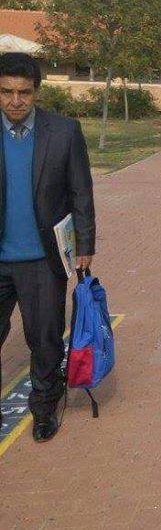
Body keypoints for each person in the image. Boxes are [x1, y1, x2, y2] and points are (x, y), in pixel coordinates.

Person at [0, 52, 95, 442]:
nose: (15, 101)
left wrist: (85, 244)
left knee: (44, 339)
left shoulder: (64, 132)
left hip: (43, 259)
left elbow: (81, 192)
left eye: (24, 92)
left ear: (36, 92)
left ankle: (43, 408)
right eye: (6, 92)